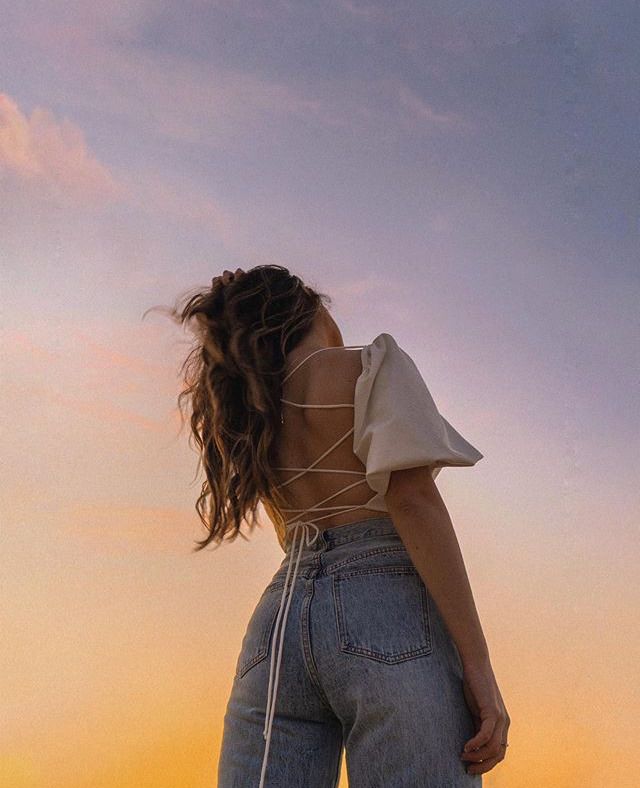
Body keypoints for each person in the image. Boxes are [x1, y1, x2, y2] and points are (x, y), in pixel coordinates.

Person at [161, 265, 510, 786]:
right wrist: (479, 666)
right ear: (308, 310)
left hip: (277, 625)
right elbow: (413, 499)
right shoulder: (369, 367)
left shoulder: (250, 407)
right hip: (383, 607)